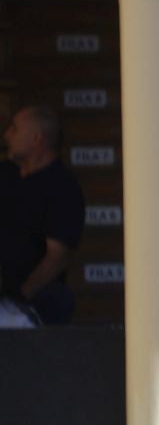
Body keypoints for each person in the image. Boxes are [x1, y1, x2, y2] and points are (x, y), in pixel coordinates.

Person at [0, 106, 84, 326]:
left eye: (15, 130)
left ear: (37, 138)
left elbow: (57, 257)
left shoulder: (62, 187)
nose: (7, 135)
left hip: (31, 303)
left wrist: (22, 294)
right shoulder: (5, 175)